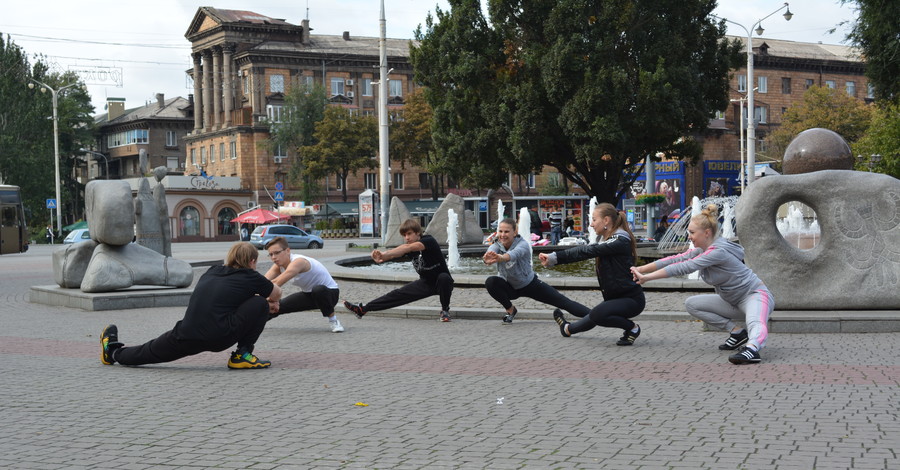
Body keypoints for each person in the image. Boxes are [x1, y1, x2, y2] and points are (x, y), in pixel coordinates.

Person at [99, 242, 282, 369]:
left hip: (188, 332)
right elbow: (277, 293)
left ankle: (113, 353)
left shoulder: (212, 272)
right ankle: (242, 354)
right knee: (259, 303)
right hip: (220, 335)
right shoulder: (250, 276)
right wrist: (268, 303)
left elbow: (224, 299)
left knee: (150, 351)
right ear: (252, 262)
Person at [630, 204, 774, 365]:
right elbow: (674, 259)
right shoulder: (701, 250)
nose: (689, 236)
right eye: (688, 232)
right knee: (692, 304)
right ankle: (737, 333)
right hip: (732, 302)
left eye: (692, 232)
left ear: (706, 233)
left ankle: (753, 349)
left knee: (755, 322)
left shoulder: (717, 252)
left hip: (755, 296)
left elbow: (684, 267)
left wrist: (646, 278)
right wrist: (640, 269)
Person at [539, 203, 645, 345]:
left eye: (594, 220)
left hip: (632, 300)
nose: (591, 224)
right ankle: (567, 329)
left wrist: (554, 258)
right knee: (596, 314)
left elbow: (585, 251)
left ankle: (632, 328)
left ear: (606, 220)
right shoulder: (609, 240)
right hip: (616, 298)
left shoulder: (619, 241)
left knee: (597, 314)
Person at [344, 218, 454, 322]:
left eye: (409, 234)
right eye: (404, 235)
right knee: (396, 294)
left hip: (443, 282)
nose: (407, 238)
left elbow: (408, 248)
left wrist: (384, 253)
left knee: (444, 277)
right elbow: (393, 255)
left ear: (417, 233)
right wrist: (380, 257)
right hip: (426, 282)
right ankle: (362, 310)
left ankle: (445, 310)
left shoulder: (428, 240)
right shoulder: (408, 246)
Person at [484, 218, 590, 324]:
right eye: (501, 231)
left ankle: (595, 316)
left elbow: (513, 255)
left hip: (529, 285)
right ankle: (510, 310)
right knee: (491, 282)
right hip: (509, 287)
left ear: (515, 232)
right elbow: (490, 252)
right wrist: (487, 258)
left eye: (506, 231)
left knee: (563, 302)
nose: (503, 235)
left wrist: (500, 258)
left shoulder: (523, 244)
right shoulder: (497, 245)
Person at [264, 236, 344, 333]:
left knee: (318, 290)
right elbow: (263, 282)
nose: (273, 257)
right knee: (279, 306)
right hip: (309, 295)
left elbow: (277, 283)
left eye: (277, 253)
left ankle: (334, 321)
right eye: (271, 254)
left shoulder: (299, 262)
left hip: (329, 294)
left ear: (288, 251)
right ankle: (254, 323)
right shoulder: (278, 266)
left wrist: (262, 295)